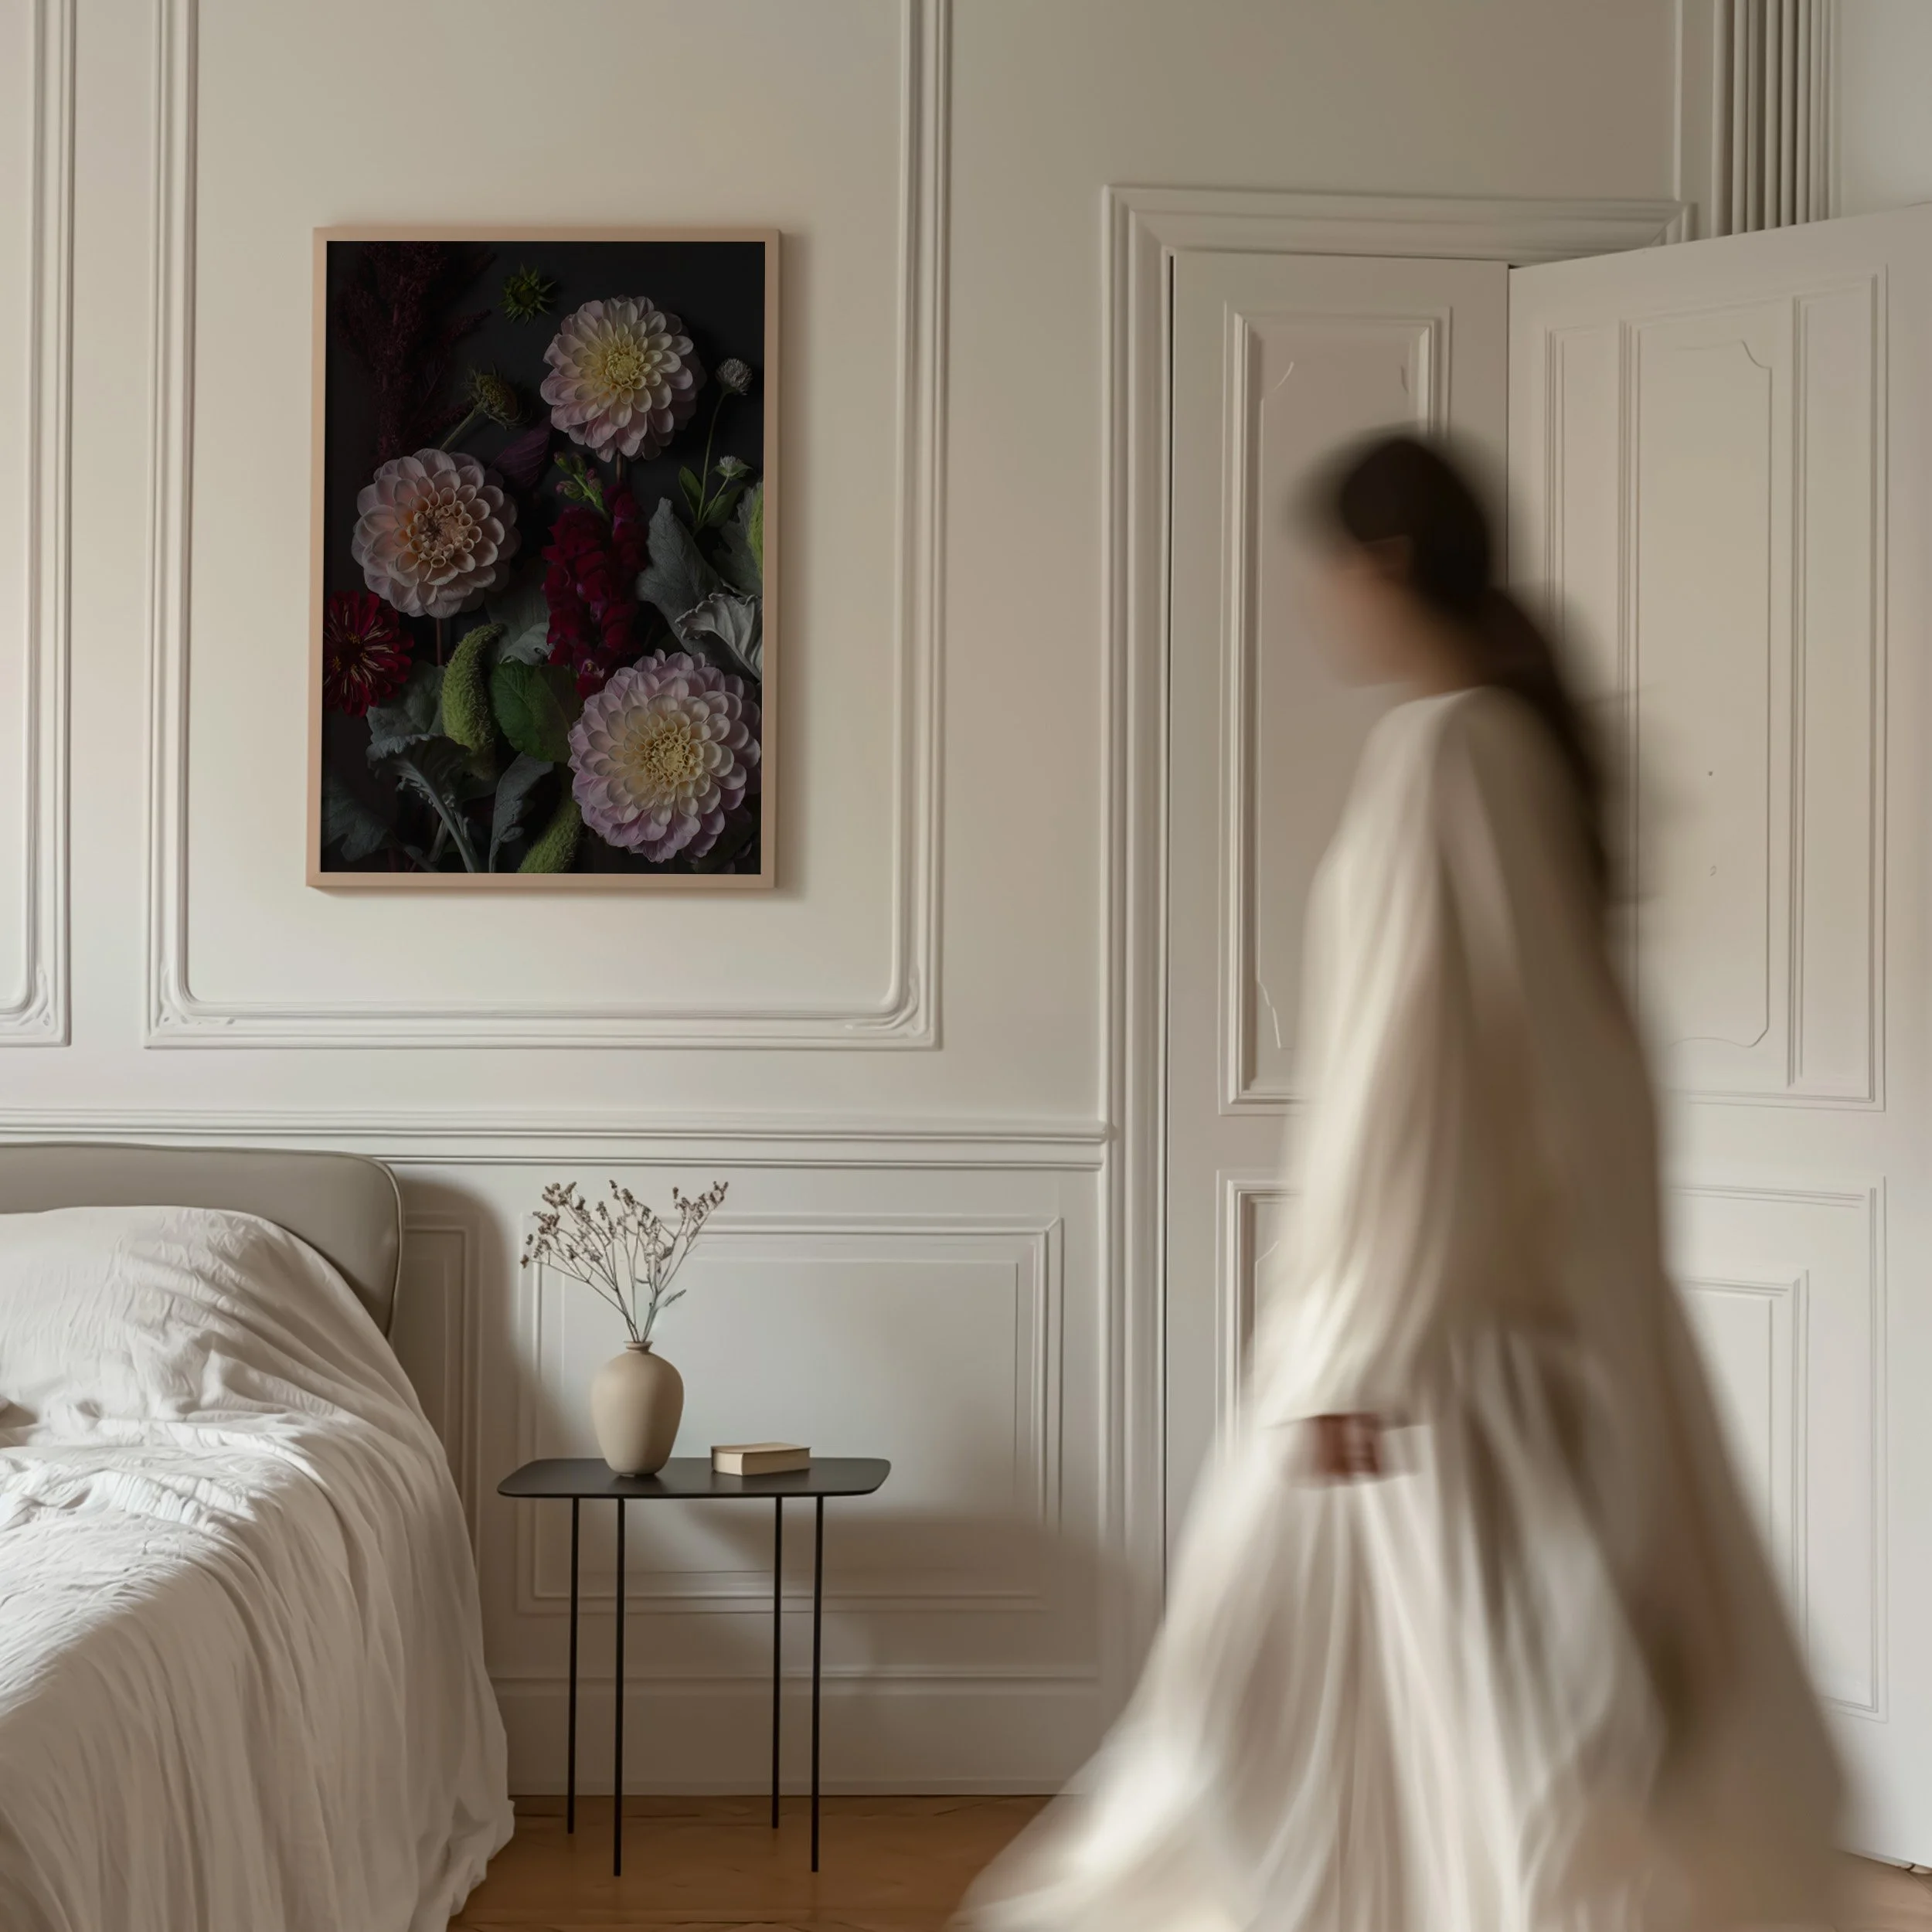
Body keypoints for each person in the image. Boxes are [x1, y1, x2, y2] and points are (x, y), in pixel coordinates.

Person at [961, 435, 1844, 1932]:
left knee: (1293, 1753)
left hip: (1420, 1357)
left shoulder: (1443, 756)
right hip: (1508, 1340)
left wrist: (1354, 1347)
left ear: (1382, 565)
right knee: (1440, 1755)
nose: (1321, 608)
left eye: (1327, 573)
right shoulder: (1519, 752)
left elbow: (1409, 1078)